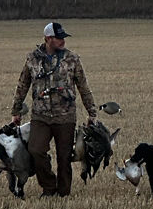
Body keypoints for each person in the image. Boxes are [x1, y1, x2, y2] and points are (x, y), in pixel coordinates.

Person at [11, 22, 97, 197]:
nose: (62, 41)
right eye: (59, 38)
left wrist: (92, 112)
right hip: (40, 115)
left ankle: (64, 193)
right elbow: (22, 85)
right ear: (48, 38)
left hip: (65, 116)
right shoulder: (32, 59)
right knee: (36, 150)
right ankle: (49, 187)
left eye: (63, 37)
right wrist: (16, 111)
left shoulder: (72, 59)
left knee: (64, 157)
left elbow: (83, 87)